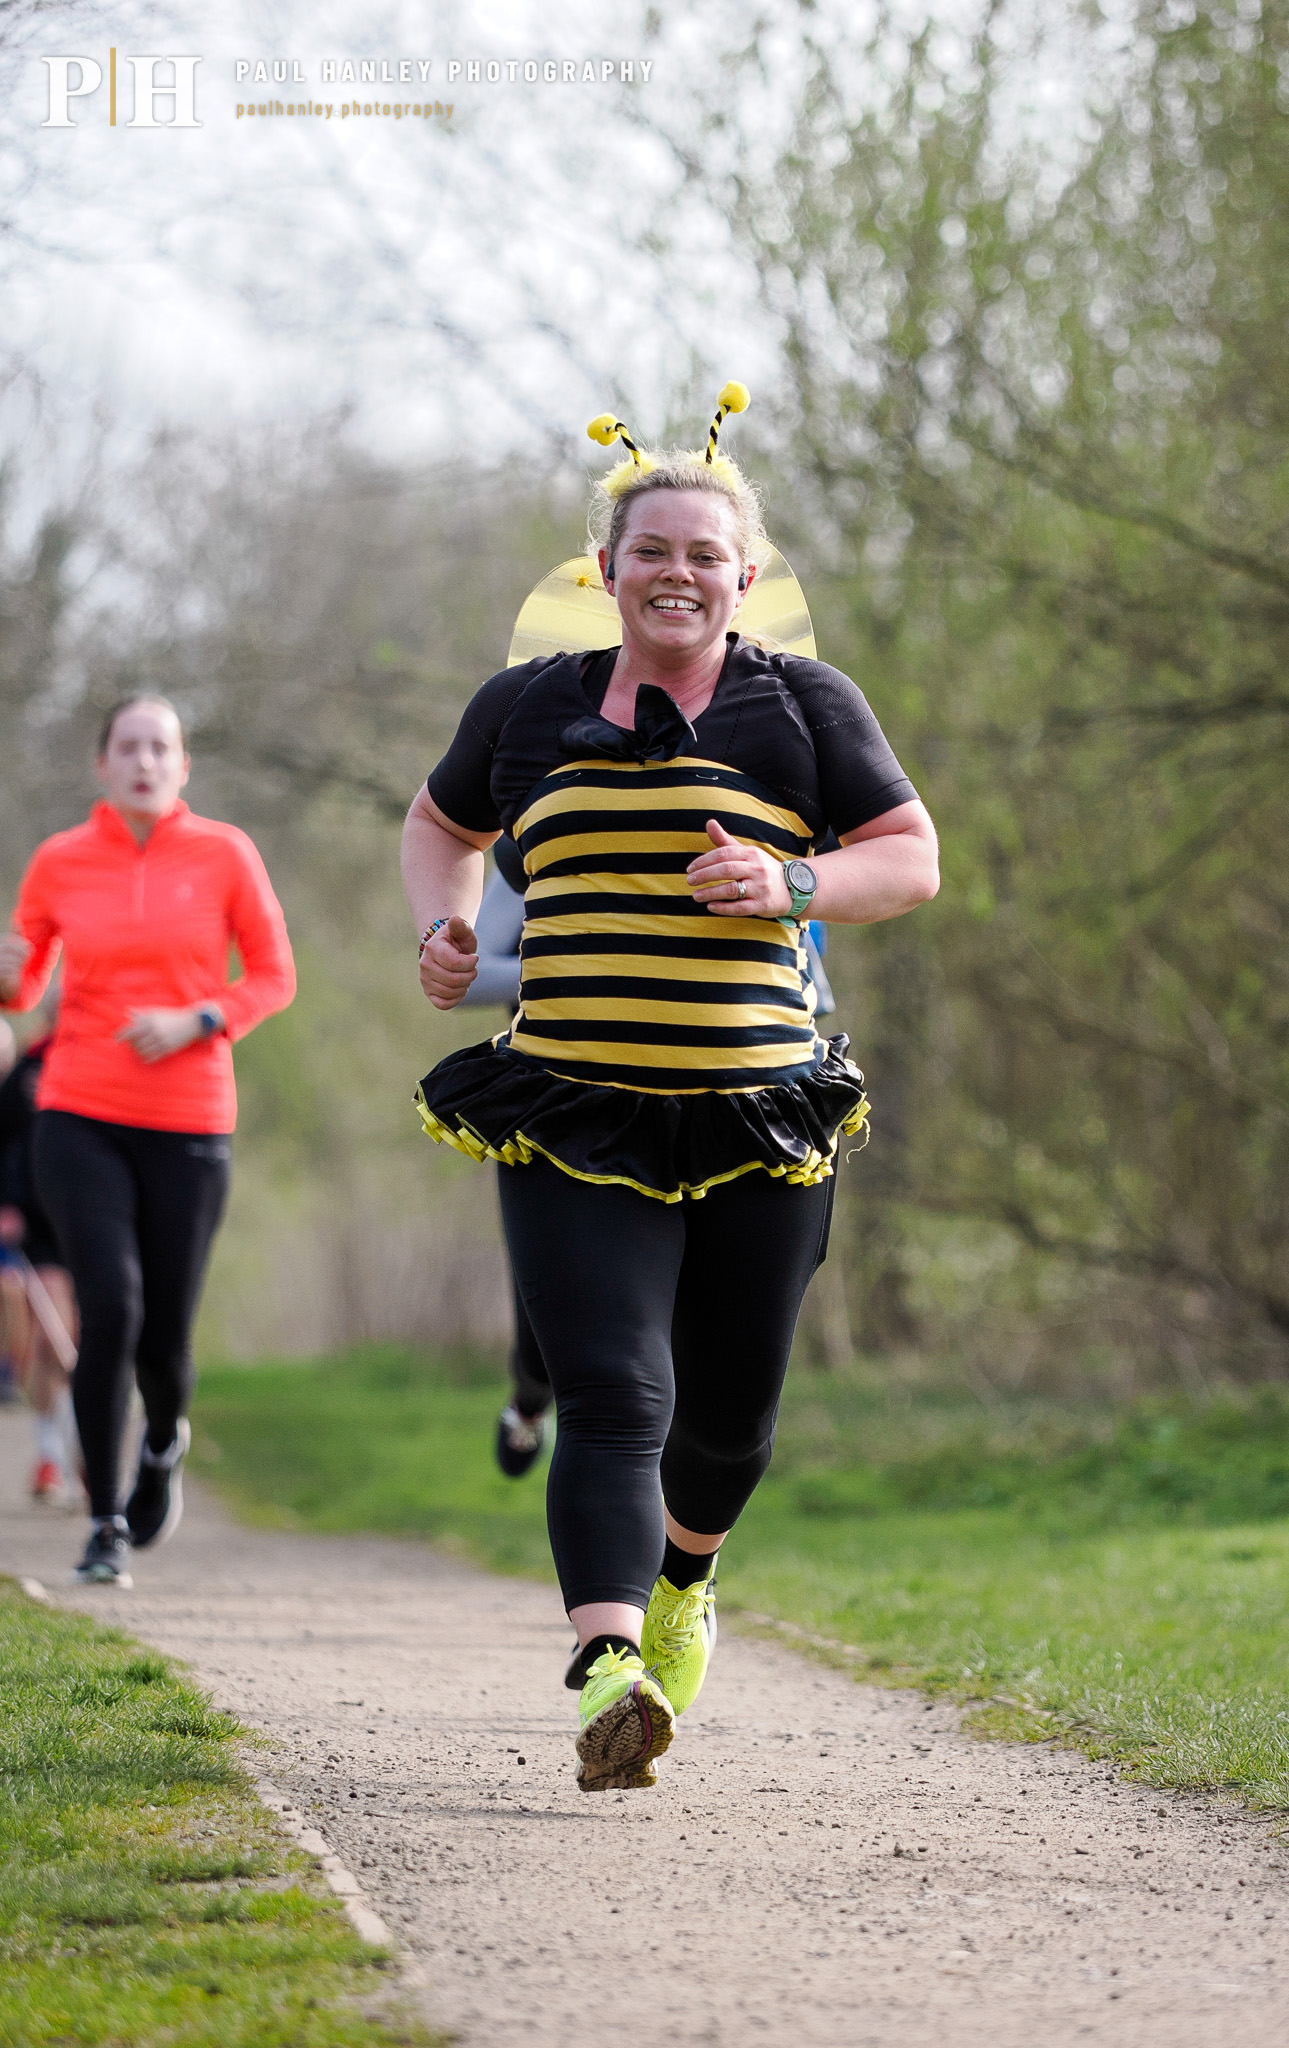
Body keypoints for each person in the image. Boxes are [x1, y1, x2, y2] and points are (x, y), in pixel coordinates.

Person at [402, 384, 939, 1790]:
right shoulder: (525, 710)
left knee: (727, 1418)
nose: (680, 574)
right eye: (653, 552)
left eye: (708, 555)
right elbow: (439, 823)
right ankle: (608, 1669)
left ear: (747, 577)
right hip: (578, 1107)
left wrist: (791, 880)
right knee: (612, 1392)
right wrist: (443, 927)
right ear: (606, 571)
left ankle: (687, 1578)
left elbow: (912, 857)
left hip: (762, 1115)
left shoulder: (803, 706)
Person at [0, 696, 297, 1586]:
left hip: (191, 1121)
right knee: (111, 1311)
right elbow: (25, 993)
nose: (143, 761)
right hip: (79, 1112)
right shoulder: (60, 861)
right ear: (102, 766)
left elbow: (275, 977)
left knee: (164, 1340)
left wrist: (200, 1017)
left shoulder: (225, 855)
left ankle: (164, 1438)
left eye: (159, 747)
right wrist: (9, 981)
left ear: (183, 765)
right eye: (127, 747)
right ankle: (103, 1523)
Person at [457, 838, 555, 1478]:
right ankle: (529, 1400)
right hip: (549, 1107)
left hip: (695, 1105)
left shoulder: (741, 835)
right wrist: (570, 967)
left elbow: (812, 988)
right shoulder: (541, 843)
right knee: (545, 1308)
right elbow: (468, 976)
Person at [0, 997, 80, 1502]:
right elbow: (4, 1142)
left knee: (94, 1344)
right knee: (54, 1342)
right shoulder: (28, 1072)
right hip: (43, 1226)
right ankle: (53, 1456)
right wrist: (8, 1203)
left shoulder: (117, 1066)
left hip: (102, 1222)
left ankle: (93, 1457)